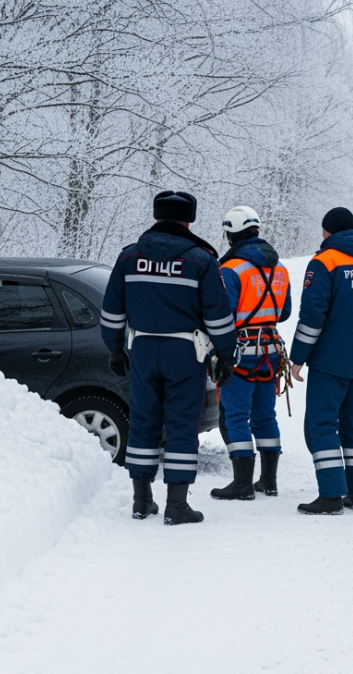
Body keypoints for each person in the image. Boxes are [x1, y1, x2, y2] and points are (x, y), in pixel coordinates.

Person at [100, 191, 237, 526]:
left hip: (143, 349)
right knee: (181, 425)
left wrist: (115, 347)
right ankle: (177, 505)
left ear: (156, 215)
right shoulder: (201, 260)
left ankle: (141, 501)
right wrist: (225, 354)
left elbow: (112, 310)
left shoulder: (129, 257)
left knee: (144, 421)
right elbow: (218, 314)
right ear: (189, 220)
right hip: (185, 353)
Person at [288, 207, 353, 515]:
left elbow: (312, 316)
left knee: (321, 424)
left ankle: (331, 495)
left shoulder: (324, 262)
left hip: (329, 361)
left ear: (326, 231)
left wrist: (298, 358)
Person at [211, 206, 292, 501]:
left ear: (230, 234)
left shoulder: (230, 270)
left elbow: (224, 314)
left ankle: (242, 484)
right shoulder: (280, 268)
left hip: (241, 351)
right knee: (264, 416)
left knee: (235, 416)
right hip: (271, 351)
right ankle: (268, 481)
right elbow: (284, 313)